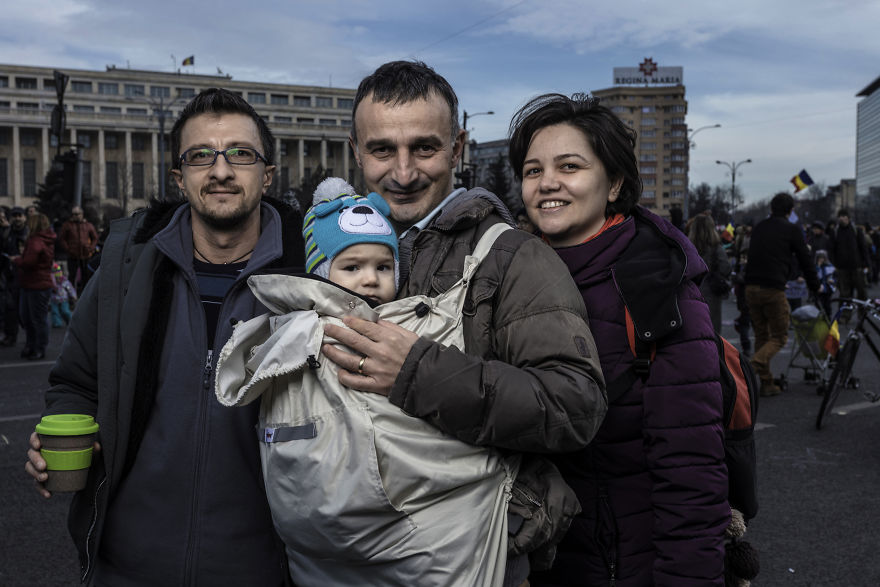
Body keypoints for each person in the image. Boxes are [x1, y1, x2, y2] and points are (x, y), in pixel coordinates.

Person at [322, 60, 608, 585]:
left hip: (470, 558)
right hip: (343, 559)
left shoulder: (513, 258)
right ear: (356, 150)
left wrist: (418, 372)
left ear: (458, 148)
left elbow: (575, 405)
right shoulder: (327, 250)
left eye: (425, 148)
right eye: (382, 149)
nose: (403, 173)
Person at [25, 88, 303, 586]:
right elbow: (75, 382)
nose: (220, 171)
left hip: (263, 570)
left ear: (268, 174)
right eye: (201, 156)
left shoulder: (311, 279)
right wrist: (59, 431)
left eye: (240, 153)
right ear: (179, 177)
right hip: (128, 568)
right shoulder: (124, 271)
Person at [217, 178, 520, 586]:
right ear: (322, 272)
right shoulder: (302, 332)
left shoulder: (410, 324)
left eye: (383, 266)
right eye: (352, 267)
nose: (370, 280)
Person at [507, 92, 728, 586]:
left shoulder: (659, 289)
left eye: (569, 166)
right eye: (532, 170)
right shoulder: (502, 279)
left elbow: (691, 471)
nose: (547, 184)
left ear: (615, 184)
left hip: (626, 565)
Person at [744, 192, 820, 397]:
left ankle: (767, 383)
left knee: (762, 336)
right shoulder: (792, 229)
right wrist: (815, 285)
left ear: (771, 208)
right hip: (773, 288)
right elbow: (805, 258)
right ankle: (751, 366)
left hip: (750, 287)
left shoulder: (760, 227)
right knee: (779, 336)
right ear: (790, 210)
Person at [10, 212, 55, 360]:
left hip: (37, 284)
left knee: (35, 319)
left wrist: (16, 260)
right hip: (33, 284)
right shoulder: (44, 239)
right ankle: (33, 346)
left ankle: (37, 347)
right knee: (30, 318)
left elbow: (29, 262)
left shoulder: (36, 240)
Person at [688, 213, 732, 333]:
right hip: (711, 293)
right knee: (711, 331)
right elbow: (725, 267)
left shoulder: (687, 247)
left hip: (690, 293)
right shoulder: (716, 248)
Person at [1, 207, 29, 347]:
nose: (17, 218)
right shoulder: (7, 232)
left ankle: (31, 339)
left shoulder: (29, 232)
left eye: (20, 215)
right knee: (10, 308)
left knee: (27, 309)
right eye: (15, 216)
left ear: (24, 217)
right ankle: (10, 336)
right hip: (10, 275)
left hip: (27, 275)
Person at [59, 205, 99, 294]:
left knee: (86, 276)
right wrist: (68, 249)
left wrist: (91, 248)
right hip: (72, 255)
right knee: (72, 276)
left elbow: (95, 238)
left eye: (77, 214)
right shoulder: (67, 225)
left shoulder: (88, 225)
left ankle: (83, 295)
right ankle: (71, 296)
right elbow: (61, 239)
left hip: (85, 255)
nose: (75, 216)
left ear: (82, 214)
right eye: (73, 214)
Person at [49, 262, 77, 328]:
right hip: (54, 299)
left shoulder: (65, 282)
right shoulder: (52, 283)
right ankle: (57, 323)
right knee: (54, 312)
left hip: (64, 299)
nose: (58, 279)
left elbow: (70, 289)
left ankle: (70, 321)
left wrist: (73, 296)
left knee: (65, 311)